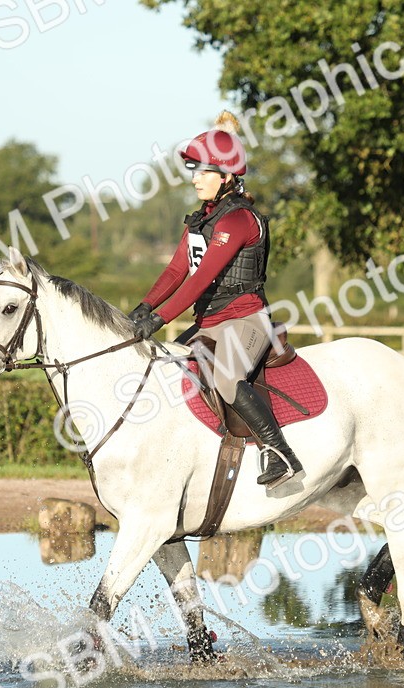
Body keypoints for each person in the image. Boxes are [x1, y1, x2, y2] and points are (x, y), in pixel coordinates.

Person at [129, 112, 303, 489]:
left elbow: (200, 281)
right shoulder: (202, 220)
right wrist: (142, 308)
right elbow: (176, 272)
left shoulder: (238, 221)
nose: (194, 179)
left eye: (202, 172)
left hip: (246, 320)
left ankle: (279, 452)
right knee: (162, 373)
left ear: (226, 177)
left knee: (227, 379)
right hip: (208, 323)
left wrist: (158, 321)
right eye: (193, 171)